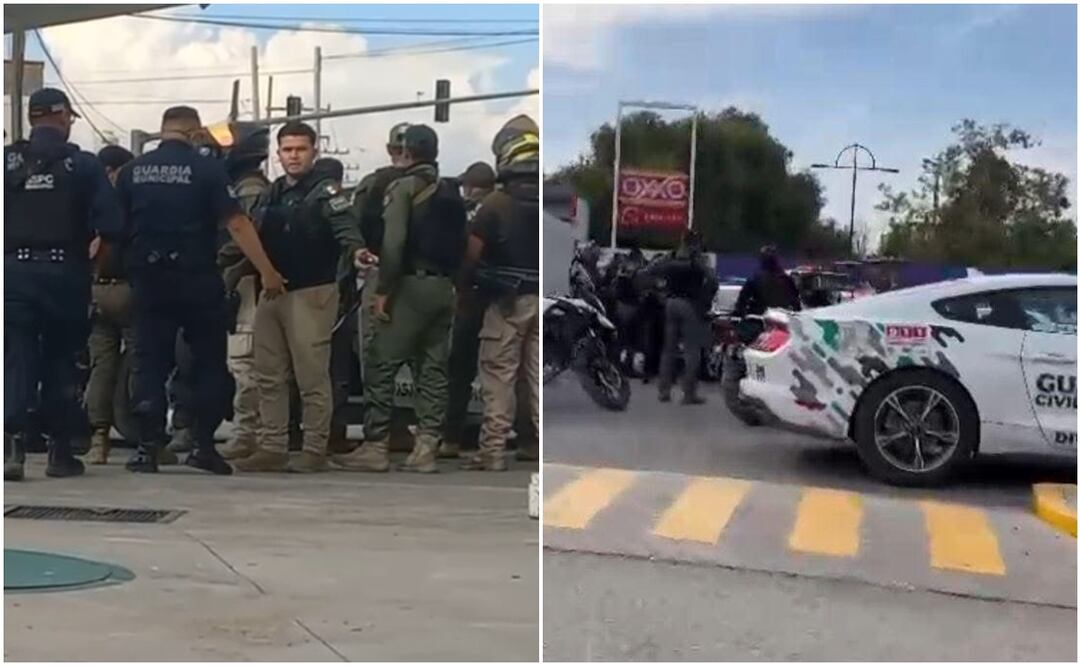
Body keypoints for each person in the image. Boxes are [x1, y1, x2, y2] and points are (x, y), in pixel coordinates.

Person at [116, 106, 284, 475]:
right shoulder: (208, 170)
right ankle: (204, 446)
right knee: (209, 362)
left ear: (161, 132)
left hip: (148, 279)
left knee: (149, 363)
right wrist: (267, 270)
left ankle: (147, 448)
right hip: (196, 278)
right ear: (194, 134)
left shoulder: (131, 172)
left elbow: (114, 228)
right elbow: (237, 223)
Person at [4, 88, 124, 481]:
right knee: (62, 361)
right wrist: (91, 271)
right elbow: (110, 228)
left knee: (15, 359)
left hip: (13, 275)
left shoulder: (7, 162)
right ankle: (59, 451)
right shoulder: (84, 166)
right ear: (63, 117)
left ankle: (12, 448)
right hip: (64, 275)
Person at [231, 123, 364, 473]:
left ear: (314, 152)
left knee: (311, 376)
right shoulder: (270, 193)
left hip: (312, 293)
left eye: (300, 149)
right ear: (277, 154)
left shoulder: (326, 192)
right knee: (268, 374)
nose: (293, 156)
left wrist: (358, 251)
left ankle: (314, 448)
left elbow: (346, 228)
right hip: (271, 292)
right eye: (287, 150)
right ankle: (272, 445)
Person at [334, 124, 464, 473]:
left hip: (408, 285)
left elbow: (394, 244)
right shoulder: (451, 190)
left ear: (405, 152)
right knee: (433, 369)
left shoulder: (402, 188)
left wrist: (383, 291)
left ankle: (376, 445)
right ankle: (426, 448)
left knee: (380, 362)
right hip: (443, 287)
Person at [458, 115, 540, 471]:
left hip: (506, 302)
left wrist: (465, 288)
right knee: (535, 378)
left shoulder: (495, 205)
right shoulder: (550, 205)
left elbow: (471, 256)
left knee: (498, 376)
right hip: (544, 301)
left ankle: (491, 452)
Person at [213, 125, 274, 460]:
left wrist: (219, 262)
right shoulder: (245, 187)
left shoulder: (248, 191)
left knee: (245, 363)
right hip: (244, 284)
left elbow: (242, 240)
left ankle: (247, 433)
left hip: (246, 285)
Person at [438, 161, 498, 459]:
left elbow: (468, 257)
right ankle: (500, 440)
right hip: (500, 301)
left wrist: (459, 289)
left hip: (472, 300)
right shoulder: (504, 207)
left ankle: (450, 438)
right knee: (498, 375)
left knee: (459, 372)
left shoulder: (476, 214)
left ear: (473, 187)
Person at [351, 123, 410, 377]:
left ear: (389, 149)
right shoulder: (437, 184)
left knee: (374, 345)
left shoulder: (372, 183)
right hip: (424, 276)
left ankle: (377, 408)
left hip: (379, 269)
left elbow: (355, 227)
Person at [656, 230, 715, 405]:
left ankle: (663, 391)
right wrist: (705, 299)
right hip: (689, 305)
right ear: (695, 244)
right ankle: (689, 394)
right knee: (691, 351)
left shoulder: (671, 258)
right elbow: (712, 281)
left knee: (668, 350)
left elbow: (654, 272)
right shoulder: (697, 261)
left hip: (671, 304)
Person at [733, 244, 801, 317]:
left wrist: (739, 313)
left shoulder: (755, 279)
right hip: (781, 316)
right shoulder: (786, 279)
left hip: (762, 316)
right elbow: (796, 302)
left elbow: (742, 301)